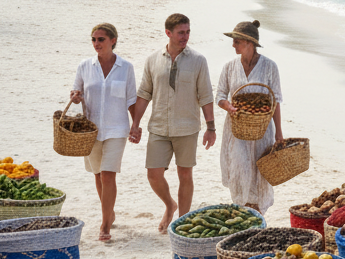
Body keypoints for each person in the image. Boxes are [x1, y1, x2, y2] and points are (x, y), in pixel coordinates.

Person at [131, 13, 215, 233]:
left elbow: (206, 96)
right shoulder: (152, 60)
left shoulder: (198, 60)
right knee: (153, 173)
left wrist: (211, 127)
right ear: (168, 33)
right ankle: (170, 205)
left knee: (185, 174)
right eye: (181, 33)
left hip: (187, 128)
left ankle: (183, 221)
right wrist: (135, 123)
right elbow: (144, 94)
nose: (185, 37)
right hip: (158, 126)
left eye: (188, 32)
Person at [69, 23, 138, 242]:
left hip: (117, 129)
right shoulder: (85, 66)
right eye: (94, 39)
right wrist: (76, 97)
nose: (96, 43)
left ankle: (105, 223)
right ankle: (109, 212)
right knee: (98, 175)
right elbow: (76, 92)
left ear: (113, 40)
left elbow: (131, 100)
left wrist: (136, 125)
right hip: (91, 130)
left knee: (108, 174)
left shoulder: (126, 67)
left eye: (101, 39)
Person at [214, 20, 284, 211]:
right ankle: (243, 209)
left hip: (263, 129)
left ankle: (259, 212)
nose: (233, 45)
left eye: (237, 41)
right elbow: (220, 95)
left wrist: (278, 132)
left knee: (260, 170)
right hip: (237, 129)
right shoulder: (229, 67)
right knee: (239, 168)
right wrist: (228, 107)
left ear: (249, 43)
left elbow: (275, 101)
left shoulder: (270, 66)